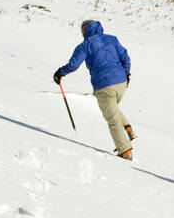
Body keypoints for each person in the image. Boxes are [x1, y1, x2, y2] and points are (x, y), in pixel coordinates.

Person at [54, 20, 135, 159]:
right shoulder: (112, 39)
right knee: (112, 107)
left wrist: (60, 72)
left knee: (112, 118)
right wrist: (127, 74)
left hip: (104, 84)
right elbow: (125, 57)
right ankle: (128, 128)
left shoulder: (85, 46)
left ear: (84, 31)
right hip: (121, 82)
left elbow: (73, 65)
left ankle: (125, 151)